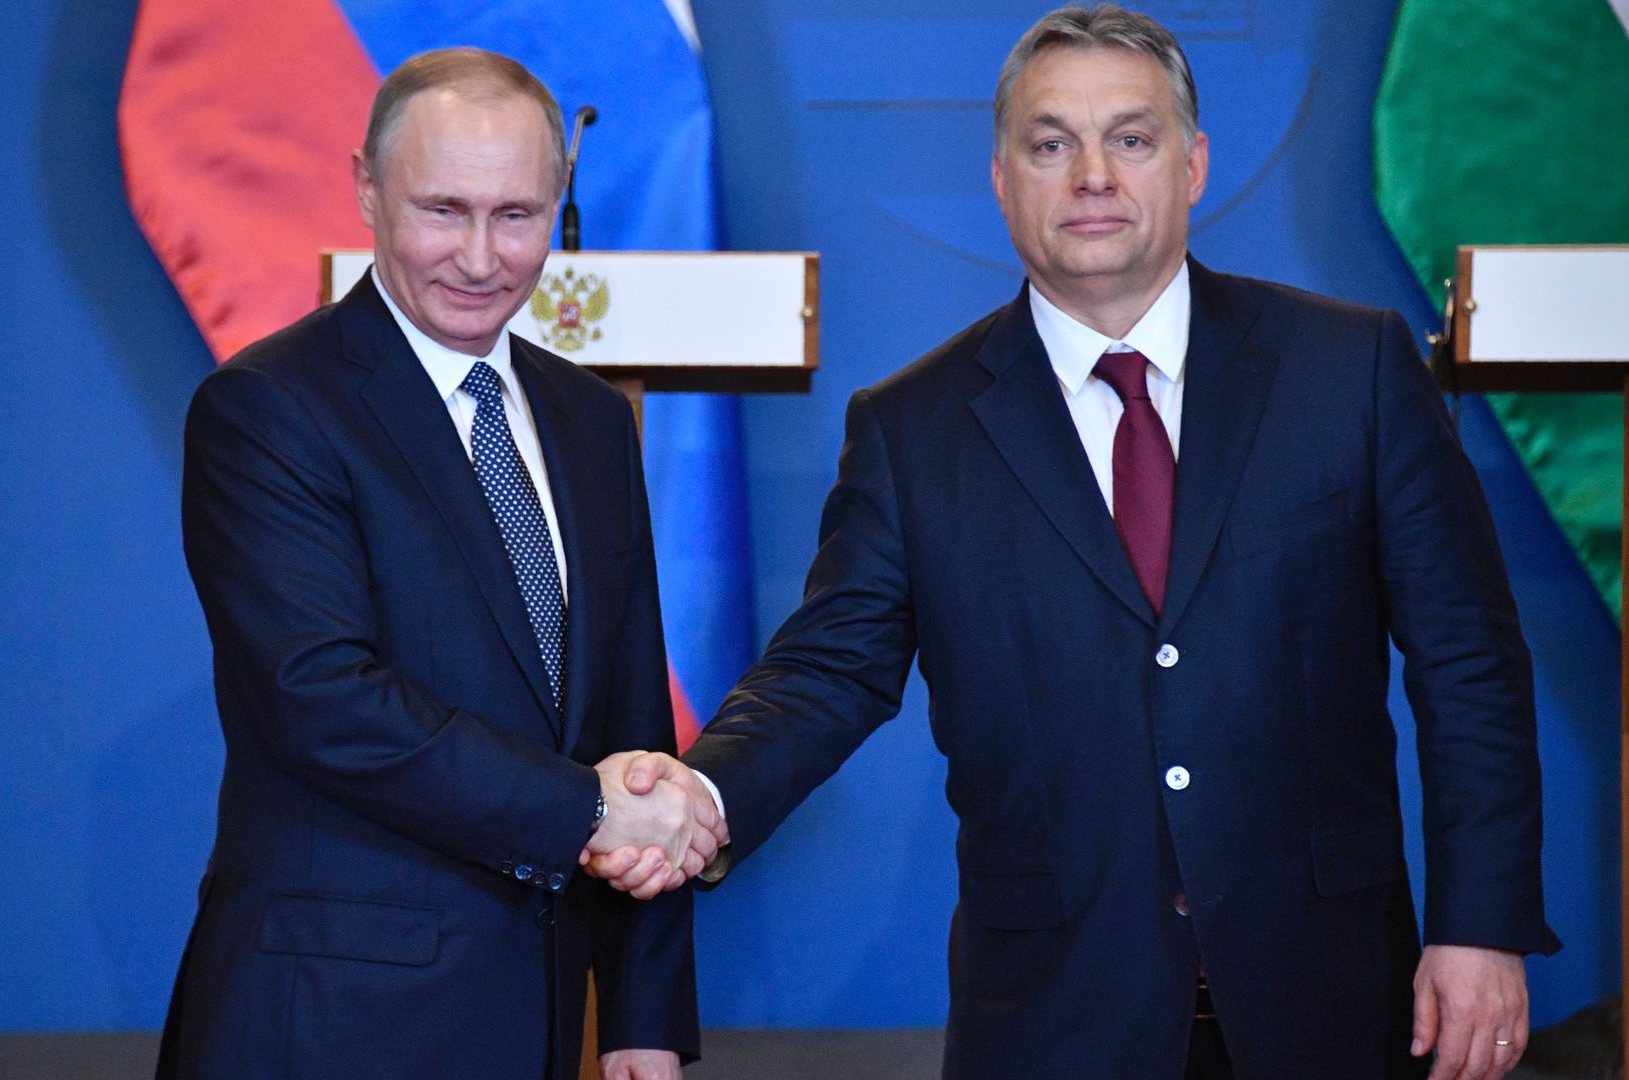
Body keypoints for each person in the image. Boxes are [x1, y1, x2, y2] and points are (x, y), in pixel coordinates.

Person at [590, 5, 1558, 1079]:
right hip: (1055, 1018)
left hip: (1329, 997)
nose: (1092, 174)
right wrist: (703, 794)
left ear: (1192, 166)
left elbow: (1469, 664)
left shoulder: (1354, 371)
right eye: (1051, 143)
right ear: (1004, 179)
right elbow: (829, 671)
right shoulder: (913, 429)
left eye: (1130, 139)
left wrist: (1482, 923)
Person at [156, 47, 721, 1080]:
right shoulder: (270, 410)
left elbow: (632, 720)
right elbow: (320, 698)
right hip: (328, 1023)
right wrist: (592, 812)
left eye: (516, 215)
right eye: (442, 209)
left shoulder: (591, 422)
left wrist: (644, 1010)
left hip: (541, 1026)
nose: (478, 255)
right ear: (367, 188)